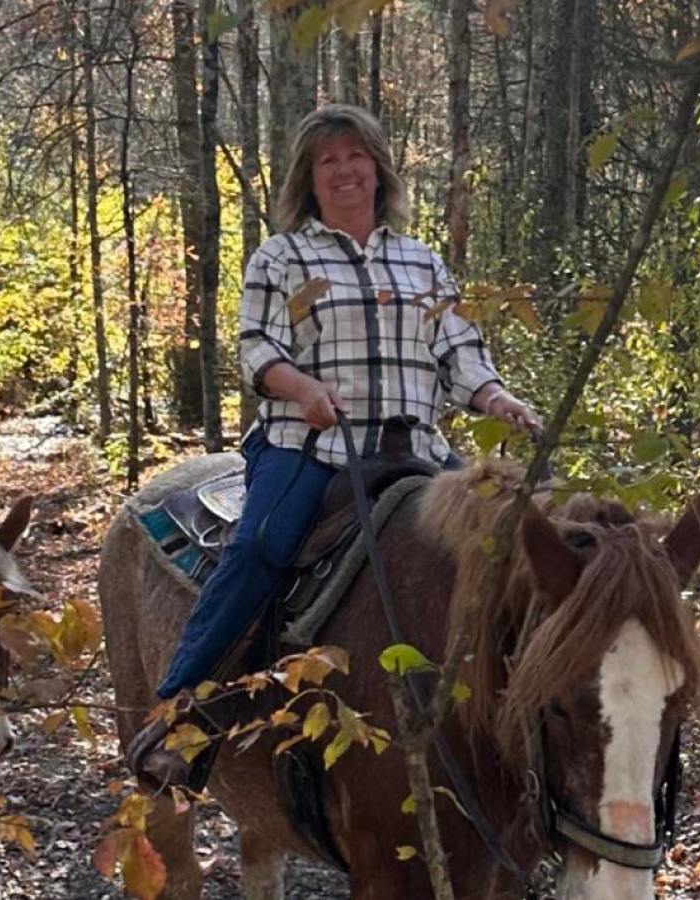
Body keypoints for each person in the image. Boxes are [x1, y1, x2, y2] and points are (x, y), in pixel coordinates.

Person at [129, 104, 541, 787]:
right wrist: (300, 388)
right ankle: (181, 717)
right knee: (262, 547)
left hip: (417, 449)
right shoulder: (283, 256)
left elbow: (460, 351)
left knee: (508, 549)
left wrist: (495, 397)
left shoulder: (422, 262)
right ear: (309, 179)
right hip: (309, 444)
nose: (345, 170)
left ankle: (528, 738)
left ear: (378, 169)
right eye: (328, 161)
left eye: (356, 156)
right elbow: (257, 347)